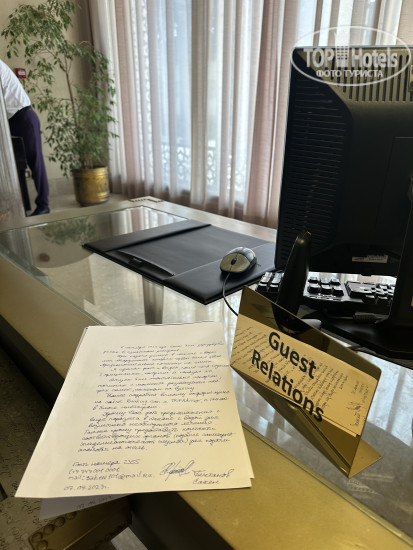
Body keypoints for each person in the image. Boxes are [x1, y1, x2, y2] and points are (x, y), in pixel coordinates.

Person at [0, 59, 50, 215]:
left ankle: (43, 205)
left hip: (24, 118)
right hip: (10, 121)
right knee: (17, 166)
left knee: (35, 163)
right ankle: (22, 207)